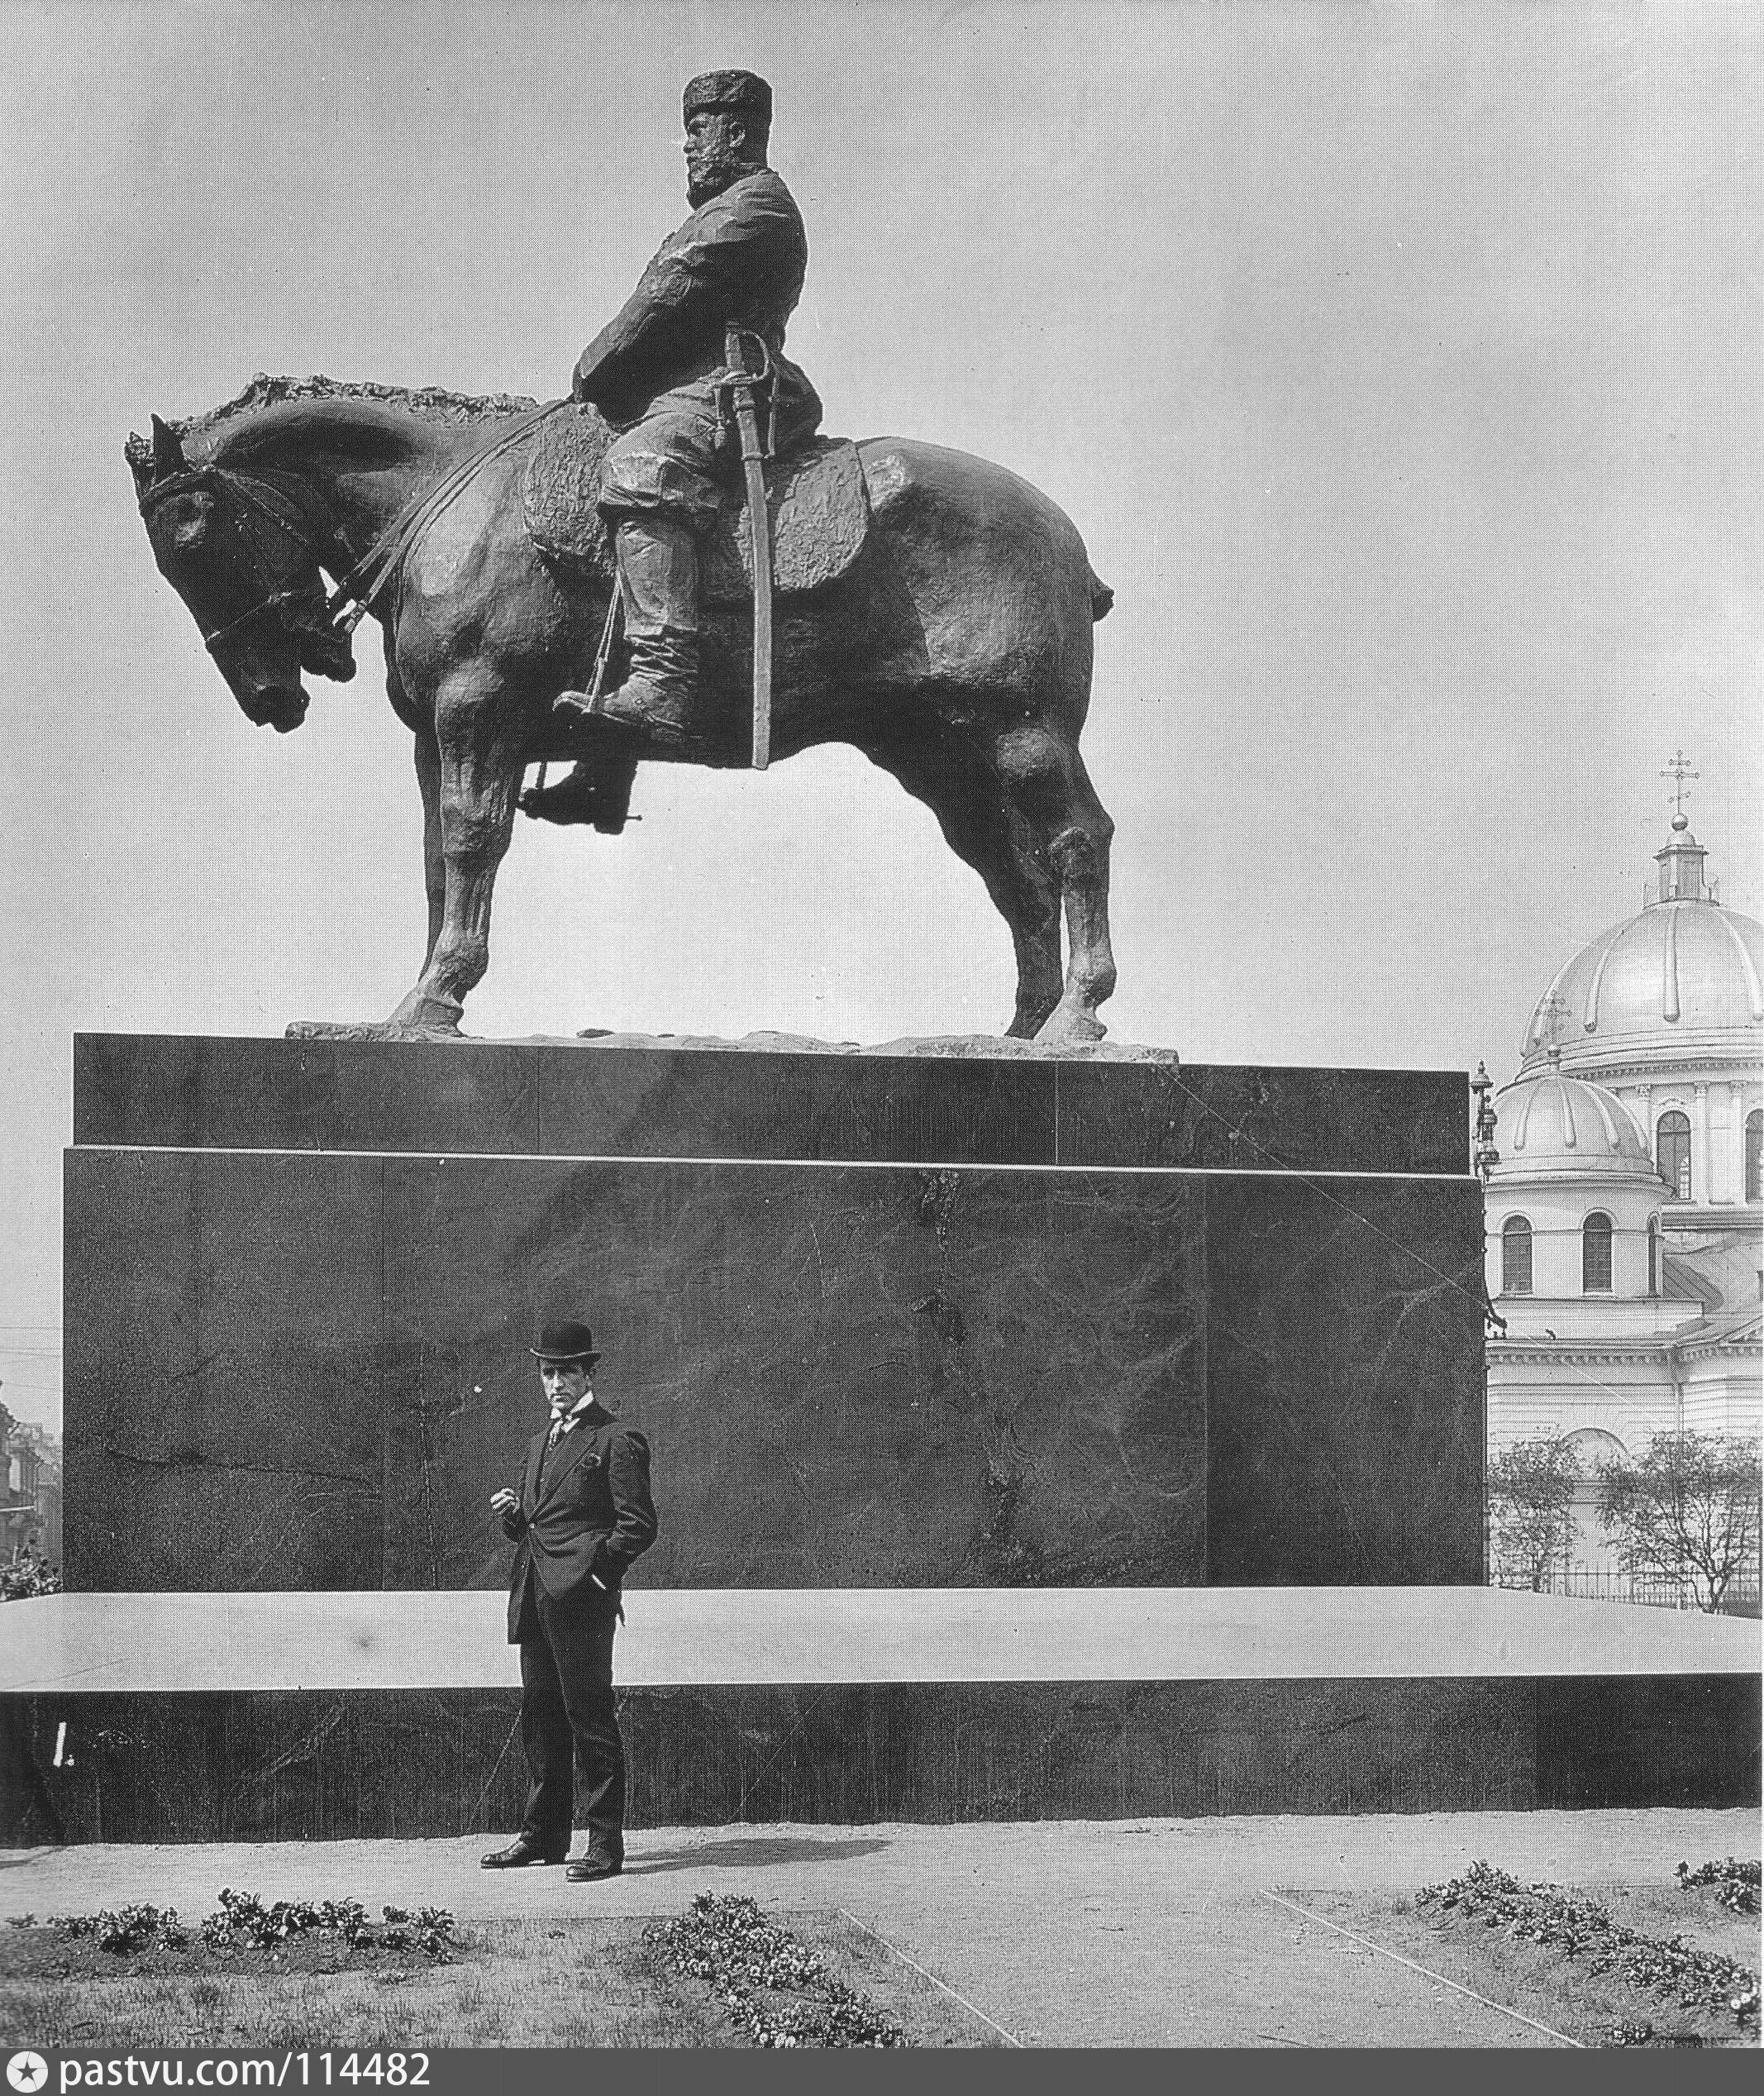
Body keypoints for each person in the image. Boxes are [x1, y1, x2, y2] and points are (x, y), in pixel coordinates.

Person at [551, 68, 821, 752]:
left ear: (737, 131)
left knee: (645, 463)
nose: (689, 147)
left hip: (733, 388)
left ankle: (662, 682)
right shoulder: (723, 205)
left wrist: (596, 368)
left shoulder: (753, 206)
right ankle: (608, 763)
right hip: (692, 385)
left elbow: (668, 294)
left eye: (699, 131)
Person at [482, 1318, 657, 1881]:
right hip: (534, 1595)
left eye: (566, 1372)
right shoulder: (540, 1443)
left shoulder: (616, 1438)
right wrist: (514, 1517)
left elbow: (638, 1525)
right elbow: (542, 1527)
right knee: (541, 1718)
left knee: (591, 1720)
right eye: (547, 1372)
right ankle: (544, 1836)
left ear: (589, 1374)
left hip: (581, 1602)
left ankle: (605, 1846)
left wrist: (597, 1578)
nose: (556, 1382)